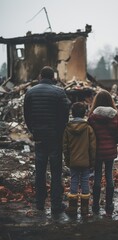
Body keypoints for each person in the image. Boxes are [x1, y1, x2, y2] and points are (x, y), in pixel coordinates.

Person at [23, 66, 70, 214]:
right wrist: (60, 132)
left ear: (40, 76)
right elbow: (65, 115)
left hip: (39, 137)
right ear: (53, 77)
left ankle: (40, 203)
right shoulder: (59, 92)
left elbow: (27, 115)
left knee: (40, 171)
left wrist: (33, 130)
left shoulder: (30, 92)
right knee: (56, 172)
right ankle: (56, 204)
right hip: (55, 137)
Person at [88, 90, 118, 216]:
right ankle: (109, 205)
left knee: (97, 176)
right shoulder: (115, 115)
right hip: (110, 152)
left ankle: (96, 205)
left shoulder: (92, 117)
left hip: (97, 152)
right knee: (109, 176)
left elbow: (88, 135)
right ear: (110, 101)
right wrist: (113, 141)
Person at [63, 102, 96, 215]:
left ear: (72, 113)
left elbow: (65, 147)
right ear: (84, 113)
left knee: (74, 181)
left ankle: (72, 208)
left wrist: (67, 160)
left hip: (73, 161)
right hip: (86, 161)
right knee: (85, 181)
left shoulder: (67, 128)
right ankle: (85, 208)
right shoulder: (88, 128)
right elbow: (92, 147)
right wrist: (92, 161)